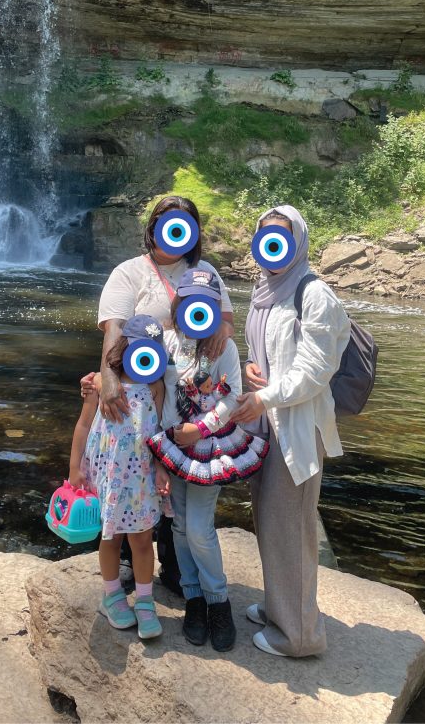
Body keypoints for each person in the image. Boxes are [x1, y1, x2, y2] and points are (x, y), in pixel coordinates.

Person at [83, 195, 235, 592]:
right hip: (140, 397)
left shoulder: (204, 272)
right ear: (152, 228)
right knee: (137, 472)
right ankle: (133, 566)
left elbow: (227, 324)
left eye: (186, 224)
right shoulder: (129, 272)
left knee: (170, 485)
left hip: (190, 400)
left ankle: (173, 573)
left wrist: (221, 330)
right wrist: (108, 379)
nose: (176, 232)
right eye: (168, 223)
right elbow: (114, 329)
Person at [230, 205, 351, 658]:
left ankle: (299, 635)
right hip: (268, 425)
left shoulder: (313, 293)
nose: (271, 248)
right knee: (268, 519)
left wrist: (264, 396)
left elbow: (315, 370)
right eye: (265, 239)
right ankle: (281, 606)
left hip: (296, 428)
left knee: (291, 525)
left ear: (298, 241)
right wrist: (251, 367)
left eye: (280, 239)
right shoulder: (268, 290)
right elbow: (267, 351)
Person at [148, 268, 260, 652]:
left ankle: (218, 602)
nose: (198, 309)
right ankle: (194, 599)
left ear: (215, 307)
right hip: (172, 444)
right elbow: (156, 392)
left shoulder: (223, 347)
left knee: (199, 528)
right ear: (178, 304)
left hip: (208, 447)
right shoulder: (166, 341)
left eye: (207, 304)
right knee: (178, 526)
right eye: (190, 301)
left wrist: (202, 428)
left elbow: (231, 399)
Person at [68, 314, 171, 641]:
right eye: (140, 350)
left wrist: (161, 467)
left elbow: (158, 432)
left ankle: (144, 601)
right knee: (109, 538)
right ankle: (111, 595)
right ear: (124, 347)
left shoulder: (155, 386)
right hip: (107, 476)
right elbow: (84, 425)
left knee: (142, 540)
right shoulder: (100, 383)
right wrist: (74, 468)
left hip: (140, 477)